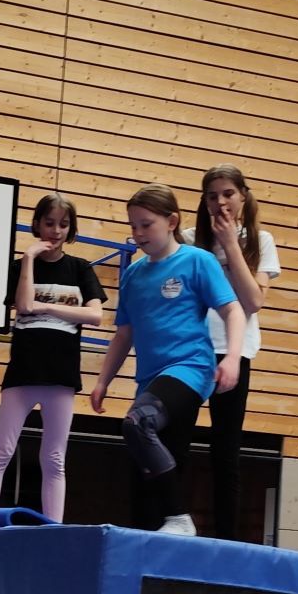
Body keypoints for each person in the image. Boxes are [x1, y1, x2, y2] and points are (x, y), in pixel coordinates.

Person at [90, 184, 244, 535]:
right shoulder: (133, 275)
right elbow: (124, 334)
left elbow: (233, 310)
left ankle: (179, 518)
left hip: (190, 369)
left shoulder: (196, 261)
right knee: (146, 483)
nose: (138, 233)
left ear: (172, 221)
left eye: (146, 225)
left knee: (137, 422)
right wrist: (102, 380)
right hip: (151, 379)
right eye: (133, 226)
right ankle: (157, 543)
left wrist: (233, 357)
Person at [0, 193, 105, 521]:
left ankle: (54, 529)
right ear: (37, 224)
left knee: (54, 458)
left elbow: (95, 315)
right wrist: (29, 258)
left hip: (61, 376)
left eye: (64, 224)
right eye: (49, 223)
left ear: (71, 229)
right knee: (1, 451)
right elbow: (22, 305)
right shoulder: (20, 267)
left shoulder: (80, 269)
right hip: (23, 372)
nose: (56, 231)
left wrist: (46, 307)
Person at [186, 164, 281, 541]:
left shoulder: (260, 240)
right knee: (174, 439)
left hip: (233, 351)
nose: (221, 202)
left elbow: (253, 301)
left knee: (225, 450)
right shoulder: (191, 240)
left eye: (228, 194)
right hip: (192, 350)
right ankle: (170, 522)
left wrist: (230, 245)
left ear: (243, 196)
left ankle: (226, 538)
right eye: (212, 196)